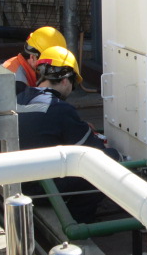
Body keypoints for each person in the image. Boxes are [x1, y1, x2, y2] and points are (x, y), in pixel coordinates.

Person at [16, 45, 120, 222]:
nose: (71, 89)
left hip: (15, 181)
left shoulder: (20, 97)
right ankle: (79, 222)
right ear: (65, 80)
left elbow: (42, 131)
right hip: (40, 189)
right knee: (110, 159)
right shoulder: (60, 108)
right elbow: (94, 150)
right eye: (73, 83)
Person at [3, 26, 67, 94]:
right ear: (33, 58)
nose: (54, 67)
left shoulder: (19, 66)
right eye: (49, 62)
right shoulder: (18, 84)